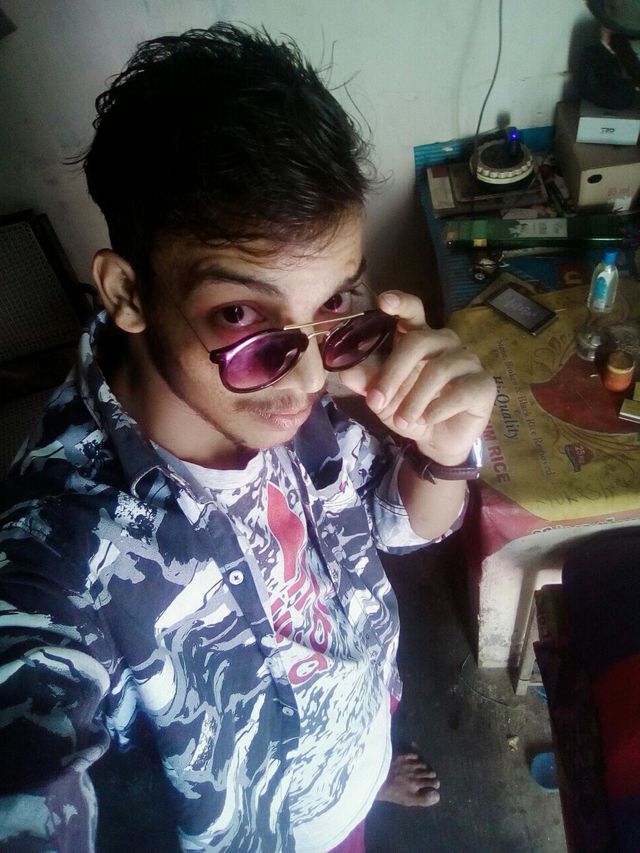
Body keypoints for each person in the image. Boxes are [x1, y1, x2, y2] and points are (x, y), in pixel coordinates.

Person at [0, 23, 496, 853]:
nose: (310, 377)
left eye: (333, 303)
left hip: (359, 722)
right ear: (127, 293)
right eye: (239, 314)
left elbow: (399, 524)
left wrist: (443, 449)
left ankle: (368, 773)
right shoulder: (60, 556)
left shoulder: (290, 390)